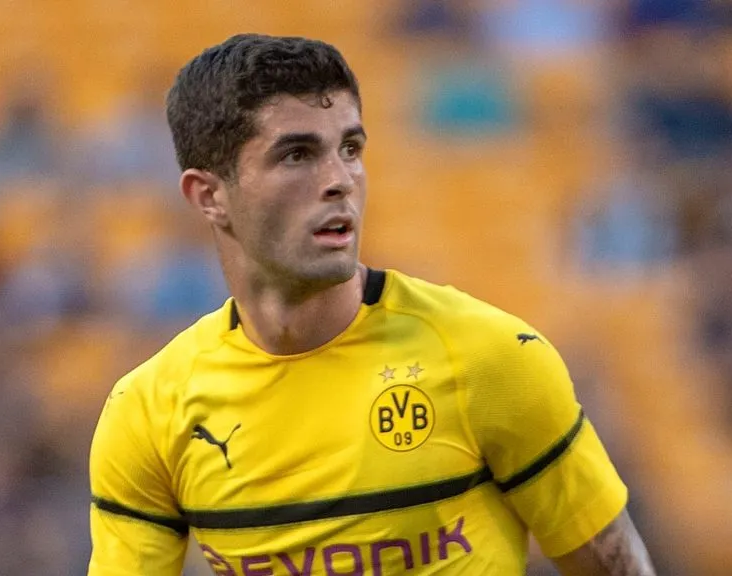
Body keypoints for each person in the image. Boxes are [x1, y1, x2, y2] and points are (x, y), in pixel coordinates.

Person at [88, 34, 656, 575]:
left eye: (351, 149)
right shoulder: (148, 411)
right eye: (296, 155)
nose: (340, 180)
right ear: (209, 195)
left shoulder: (490, 359)